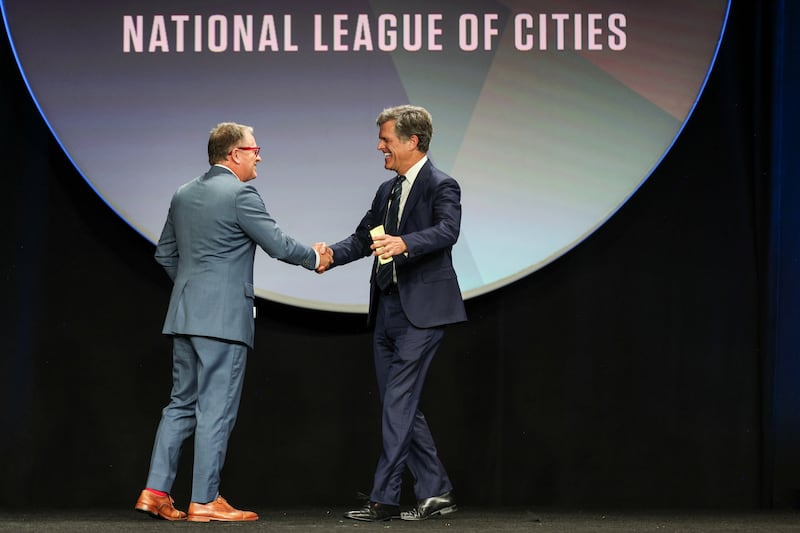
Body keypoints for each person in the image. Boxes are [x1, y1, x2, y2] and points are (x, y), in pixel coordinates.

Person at [134, 122, 332, 522]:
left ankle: (154, 492)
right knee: (216, 409)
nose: (260, 156)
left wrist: (194, 290)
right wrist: (315, 258)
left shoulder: (183, 193)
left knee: (180, 404)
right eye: (255, 149)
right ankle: (205, 500)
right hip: (222, 320)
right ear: (234, 154)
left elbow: (165, 255)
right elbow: (278, 244)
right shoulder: (241, 194)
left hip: (185, 315)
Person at [325, 105, 467, 522]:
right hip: (387, 310)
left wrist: (405, 243)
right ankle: (436, 491)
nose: (379, 147)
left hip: (423, 313)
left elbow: (448, 230)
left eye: (385, 140)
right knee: (398, 404)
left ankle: (384, 498)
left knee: (398, 404)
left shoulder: (442, 184)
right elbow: (363, 238)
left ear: (412, 141)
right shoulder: (386, 190)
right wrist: (328, 255)